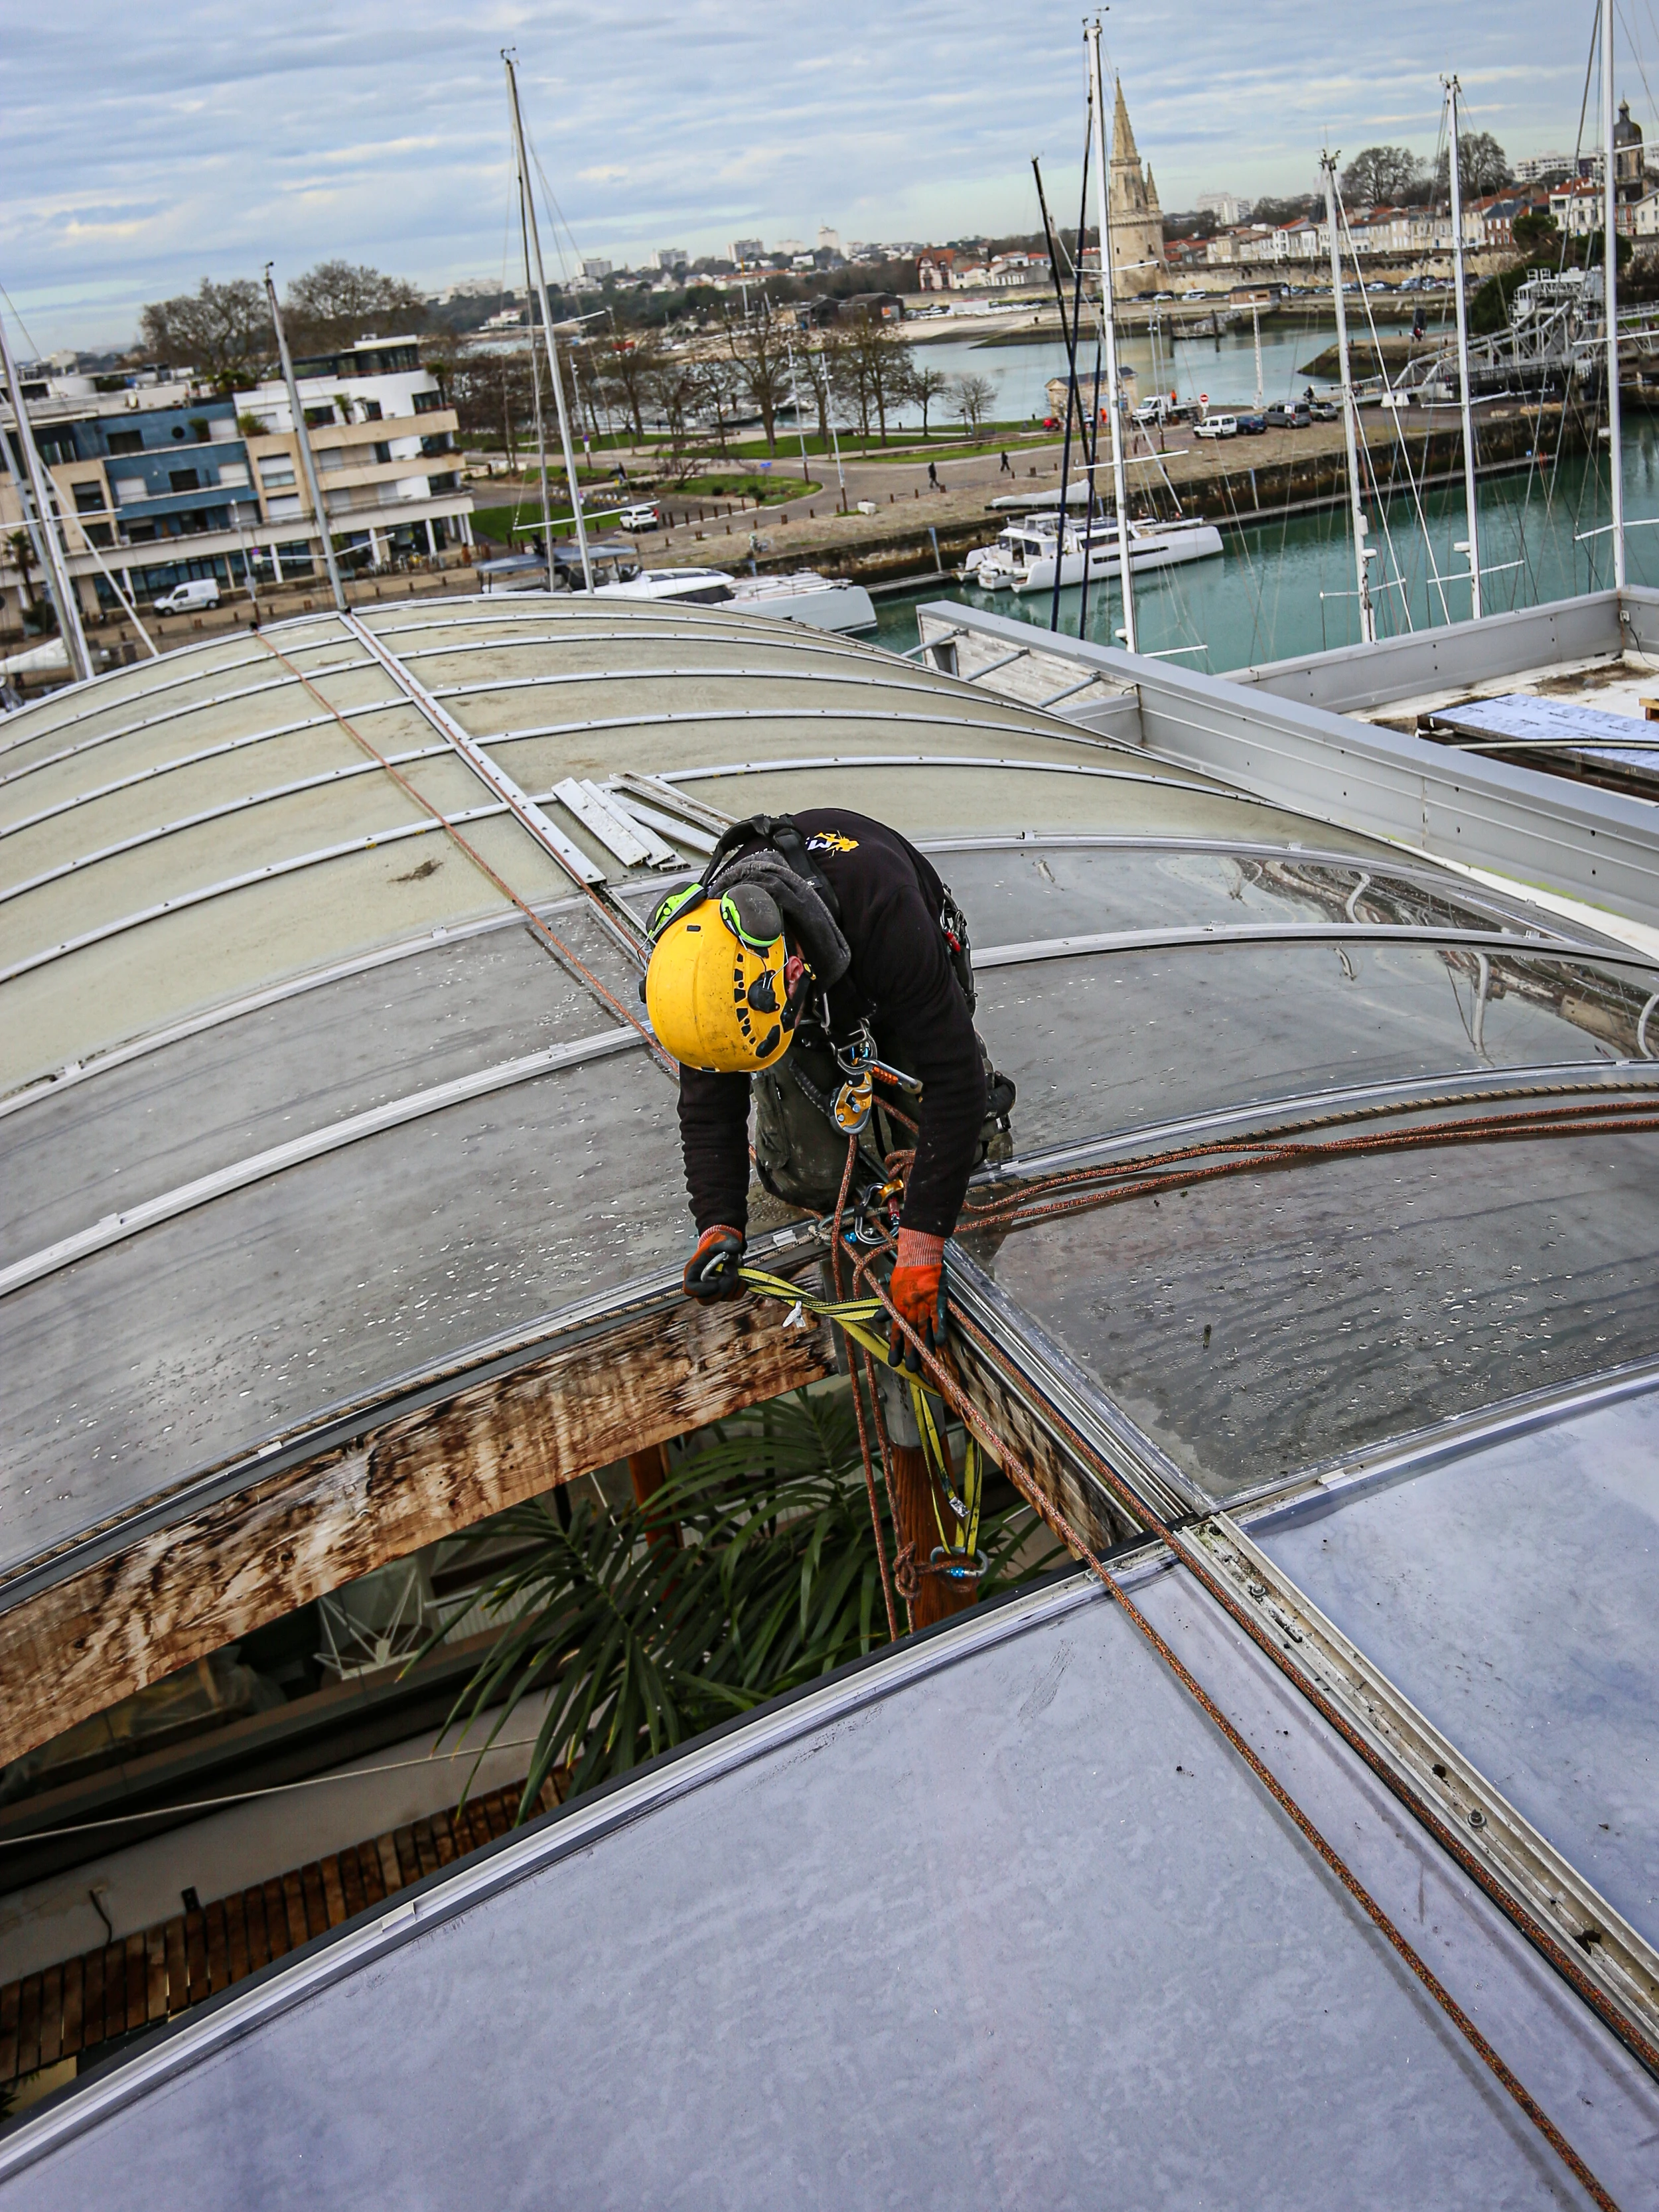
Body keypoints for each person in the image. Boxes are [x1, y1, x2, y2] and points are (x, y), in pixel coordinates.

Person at [644, 811, 1012, 1368]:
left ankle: (948, 1210)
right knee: (809, 1168)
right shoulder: (705, 966)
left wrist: (921, 1245)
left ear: (790, 971)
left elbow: (954, 1080)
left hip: (897, 970)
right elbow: (708, 1106)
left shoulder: (883, 910)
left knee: (960, 1142)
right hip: (817, 995)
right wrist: (717, 1222)